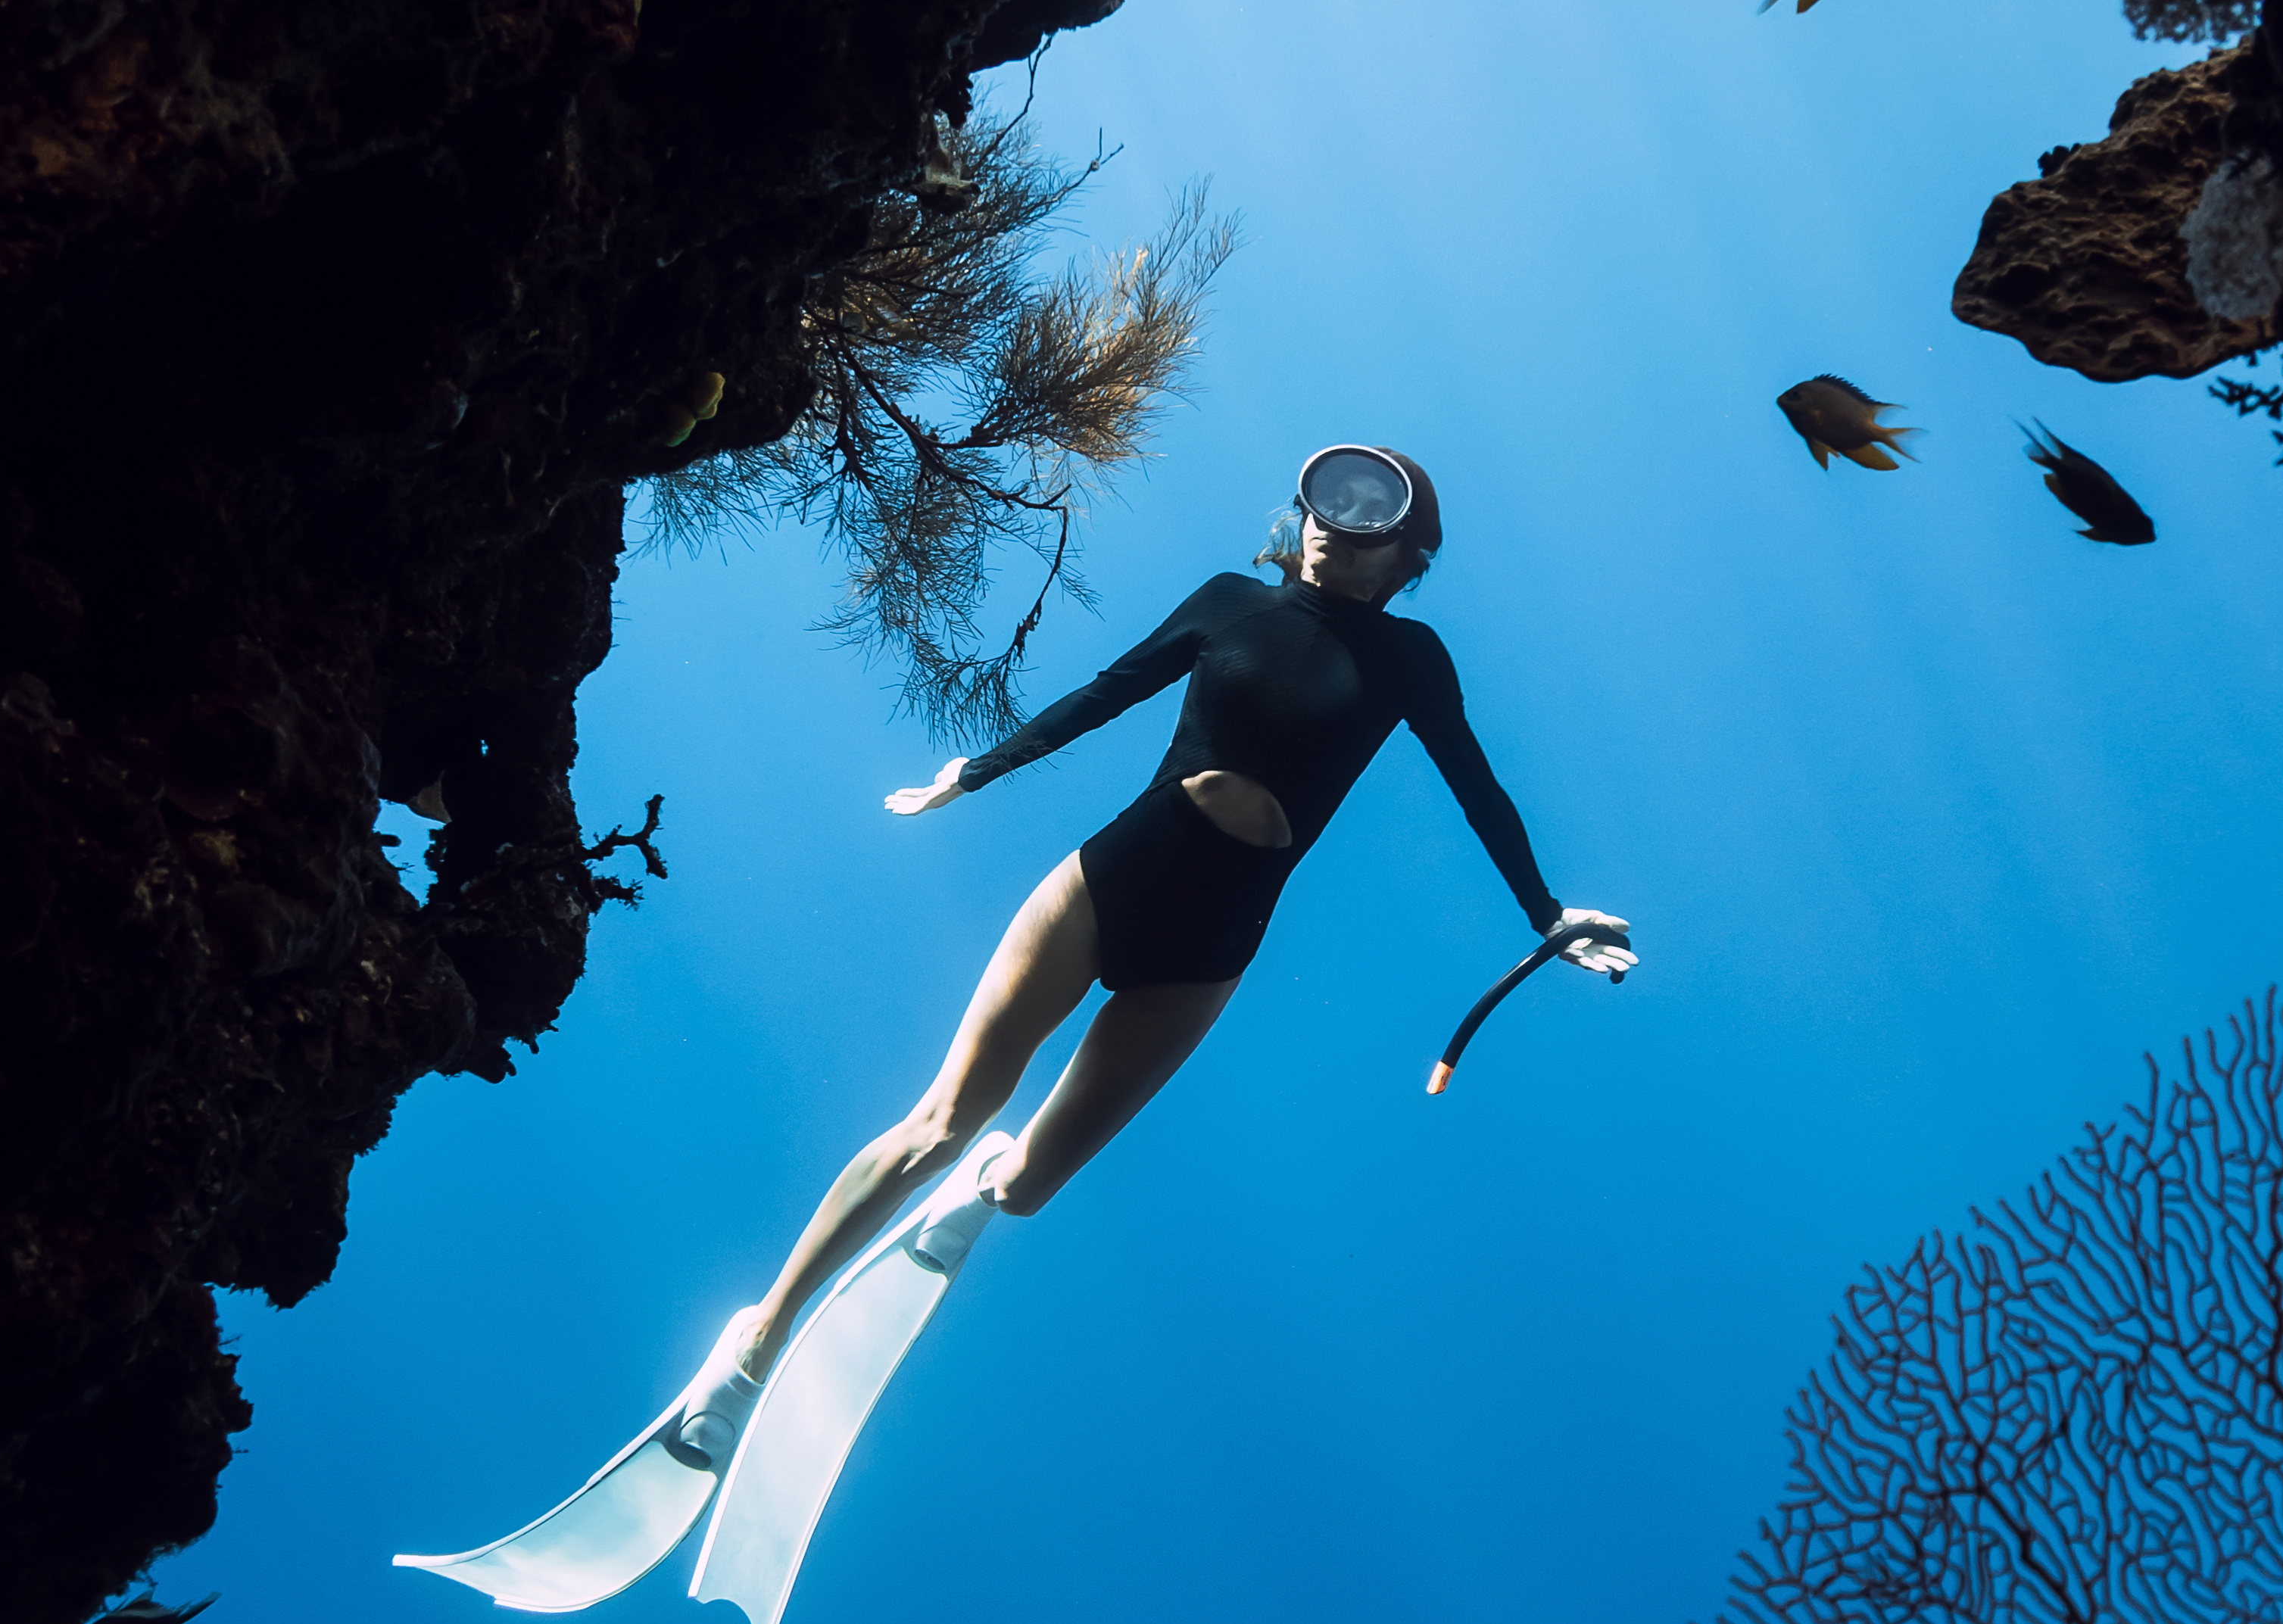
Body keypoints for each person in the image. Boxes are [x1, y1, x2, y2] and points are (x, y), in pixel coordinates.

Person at [655, 444, 1632, 1467]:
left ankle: (995, 1181)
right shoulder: (1228, 601)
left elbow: (1475, 784)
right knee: (941, 1123)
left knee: (1026, 1188)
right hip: (1106, 883)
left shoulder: (1412, 658)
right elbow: (1108, 690)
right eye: (1321, 497)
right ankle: (751, 1349)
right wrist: (976, 774)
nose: (1329, 520)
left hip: (1210, 946)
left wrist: (1546, 914)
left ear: (1407, 549)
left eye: (1364, 508)